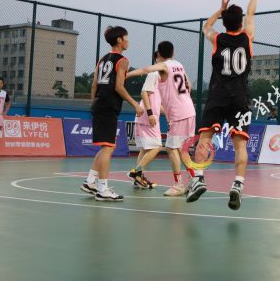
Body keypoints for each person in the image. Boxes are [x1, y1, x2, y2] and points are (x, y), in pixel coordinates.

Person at [190, 0, 262, 210]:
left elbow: (206, 26)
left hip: (218, 94)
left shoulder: (217, 39)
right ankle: (238, 184)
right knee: (240, 144)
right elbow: (251, 14)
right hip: (239, 96)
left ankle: (199, 178)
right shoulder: (247, 37)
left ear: (224, 22)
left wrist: (219, 10)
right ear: (240, 23)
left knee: (205, 137)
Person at [127, 41, 200, 197]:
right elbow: (189, 85)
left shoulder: (163, 67)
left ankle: (179, 184)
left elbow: (146, 69)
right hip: (189, 110)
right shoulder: (179, 65)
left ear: (159, 54)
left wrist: (127, 74)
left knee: (171, 148)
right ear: (173, 52)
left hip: (179, 113)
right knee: (182, 149)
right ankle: (195, 180)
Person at [81, 26, 144, 202]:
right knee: (108, 148)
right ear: (119, 40)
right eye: (126, 37)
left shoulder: (102, 60)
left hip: (99, 105)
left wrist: (95, 103)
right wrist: (135, 104)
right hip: (108, 107)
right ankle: (102, 189)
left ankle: (90, 181)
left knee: (106, 147)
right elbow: (119, 87)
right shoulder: (122, 60)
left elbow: (94, 85)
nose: (128, 40)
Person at [127, 51, 164, 191]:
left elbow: (157, 103)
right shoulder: (154, 73)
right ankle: (137, 172)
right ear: (157, 59)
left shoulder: (161, 78)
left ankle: (138, 179)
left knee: (144, 149)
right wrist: (150, 114)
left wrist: (169, 114)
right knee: (157, 147)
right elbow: (144, 93)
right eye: (162, 57)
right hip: (148, 117)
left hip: (147, 117)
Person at [0, 77, 12, 158]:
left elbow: (8, 103)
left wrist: (5, 112)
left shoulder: (4, 94)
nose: (0, 84)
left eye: (1, 83)